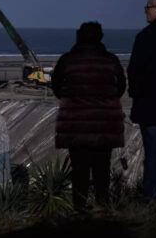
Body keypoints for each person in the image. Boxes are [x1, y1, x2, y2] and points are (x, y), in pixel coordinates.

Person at [52, 22, 126, 212]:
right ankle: (103, 206)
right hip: (105, 122)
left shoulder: (68, 60)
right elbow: (121, 88)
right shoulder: (111, 60)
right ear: (100, 37)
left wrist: (72, 99)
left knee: (79, 170)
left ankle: (80, 208)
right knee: (103, 169)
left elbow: (56, 88)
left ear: (79, 36)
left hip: (75, 123)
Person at [128, 0, 156, 200]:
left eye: (149, 7)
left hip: (150, 108)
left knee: (152, 156)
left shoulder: (144, 37)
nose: (146, 10)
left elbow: (134, 73)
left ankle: (153, 198)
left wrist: (136, 95)